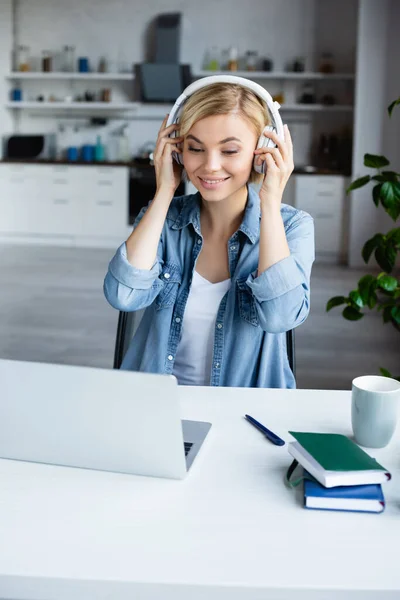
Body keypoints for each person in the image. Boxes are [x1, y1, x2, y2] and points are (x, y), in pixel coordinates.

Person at [104, 79, 315, 388]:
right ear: (176, 150)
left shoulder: (293, 226)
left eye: (229, 150)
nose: (210, 166)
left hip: (245, 414)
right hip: (155, 407)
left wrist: (270, 201)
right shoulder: (162, 218)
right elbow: (123, 295)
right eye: (195, 148)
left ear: (263, 152)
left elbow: (280, 317)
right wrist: (165, 190)